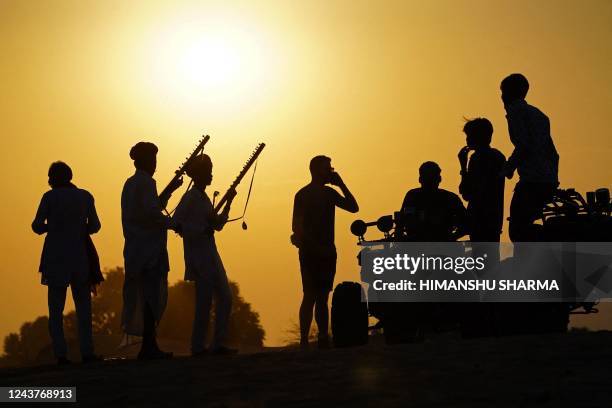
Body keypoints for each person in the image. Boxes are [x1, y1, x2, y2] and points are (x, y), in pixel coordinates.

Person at [32, 161, 101, 365]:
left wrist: (51, 228)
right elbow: (95, 226)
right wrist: (77, 229)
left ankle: (61, 354)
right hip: (80, 257)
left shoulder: (49, 197)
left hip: (55, 258)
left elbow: (36, 226)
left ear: (54, 178)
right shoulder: (85, 196)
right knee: (84, 310)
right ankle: (87, 353)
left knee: (56, 309)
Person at [121, 141, 182, 360]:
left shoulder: (130, 184)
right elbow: (152, 215)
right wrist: (175, 224)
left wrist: (171, 190)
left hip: (136, 250)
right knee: (150, 297)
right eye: (153, 159)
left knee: (145, 296)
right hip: (149, 251)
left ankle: (149, 345)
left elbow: (150, 208)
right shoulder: (146, 183)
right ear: (145, 161)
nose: (155, 164)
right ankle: (149, 346)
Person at [172, 155, 237, 356]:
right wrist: (200, 230)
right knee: (204, 302)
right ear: (199, 175)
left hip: (211, 254)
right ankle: (198, 347)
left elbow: (216, 225)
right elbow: (177, 223)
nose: (210, 175)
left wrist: (228, 203)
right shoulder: (191, 197)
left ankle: (217, 344)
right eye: (207, 171)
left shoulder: (203, 197)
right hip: (199, 256)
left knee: (225, 298)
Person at [291, 156, 359, 349]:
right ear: (316, 170)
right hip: (311, 252)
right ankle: (304, 339)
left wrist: (341, 184)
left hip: (327, 252)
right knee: (310, 295)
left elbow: (354, 208)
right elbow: (297, 226)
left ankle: (322, 337)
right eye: (327, 168)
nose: (331, 171)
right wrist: (313, 246)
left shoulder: (329, 194)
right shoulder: (303, 195)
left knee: (322, 296)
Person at [499, 73, 559, 243]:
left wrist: (508, 168)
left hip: (532, 180)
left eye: (503, 92)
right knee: (524, 225)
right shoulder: (538, 114)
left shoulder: (515, 111)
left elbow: (524, 145)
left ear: (510, 93)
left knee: (517, 230)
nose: (501, 97)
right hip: (549, 179)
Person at [458, 118, 506, 265]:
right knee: (491, 263)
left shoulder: (478, 158)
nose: (467, 139)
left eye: (469, 136)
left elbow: (467, 193)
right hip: (493, 219)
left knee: (482, 266)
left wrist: (463, 165)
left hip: (480, 220)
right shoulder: (498, 156)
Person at [400, 161, 467, 241]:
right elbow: (403, 220)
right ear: (439, 179)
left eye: (431, 177)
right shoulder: (451, 198)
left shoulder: (412, 196)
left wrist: (450, 238)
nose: (430, 180)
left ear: (420, 179)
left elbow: (466, 223)